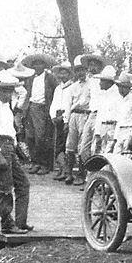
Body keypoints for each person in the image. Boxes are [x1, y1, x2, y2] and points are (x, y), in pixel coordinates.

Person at [0, 71, 32, 234]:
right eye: (4, 90)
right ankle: (7, 223)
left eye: (10, 90)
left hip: (9, 145)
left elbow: (10, 130)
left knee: (23, 183)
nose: (8, 93)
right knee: (4, 187)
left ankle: (20, 221)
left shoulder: (6, 107)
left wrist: (16, 146)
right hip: (0, 146)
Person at [22, 53, 58, 175]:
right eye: (35, 64)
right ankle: (35, 162)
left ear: (44, 65)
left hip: (42, 108)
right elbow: (27, 94)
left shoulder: (50, 77)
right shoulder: (30, 78)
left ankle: (44, 164)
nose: (37, 66)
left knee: (41, 137)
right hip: (30, 107)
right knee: (30, 137)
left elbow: (56, 92)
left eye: (40, 63)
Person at [61, 55, 91, 184]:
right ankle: (69, 173)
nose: (80, 73)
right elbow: (67, 105)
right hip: (74, 115)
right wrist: (66, 121)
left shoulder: (92, 84)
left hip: (86, 115)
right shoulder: (72, 87)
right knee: (70, 144)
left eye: (82, 70)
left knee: (82, 145)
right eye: (77, 70)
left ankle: (81, 174)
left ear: (86, 70)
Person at [77, 53, 107, 184]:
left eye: (95, 65)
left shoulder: (106, 82)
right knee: (83, 148)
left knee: (97, 147)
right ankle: (90, 173)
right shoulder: (88, 81)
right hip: (90, 114)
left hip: (101, 115)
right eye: (90, 65)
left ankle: (95, 178)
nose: (92, 67)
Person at [48, 61, 72, 178]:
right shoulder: (58, 88)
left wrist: (65, 117)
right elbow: (54, 103)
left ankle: (66, 171)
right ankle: (62, 169)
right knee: (57, 144)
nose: (62, 76)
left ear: (69, 74)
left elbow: (69, 105)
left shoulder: (71, 87)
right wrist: (52, 116)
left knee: (65, 144)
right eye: (60, 74)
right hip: (57, 116)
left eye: (65, 74)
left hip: (66, 116)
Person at [91, 66, 120, 156]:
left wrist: (115, 135)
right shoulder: (102, 95)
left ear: (108, 82)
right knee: (95, 151)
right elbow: (100, 115)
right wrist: (97, 132)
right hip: (102, 126)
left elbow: (120, 116)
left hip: (112, 126)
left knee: (109, 153)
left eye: (102, 81)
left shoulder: (118, 95)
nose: (99, 84)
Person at [111, 71, 132, 154]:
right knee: (116, 155)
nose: (121, 89)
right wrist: (115, 137)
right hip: (120, 131)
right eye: (120, 87)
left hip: (129, 130)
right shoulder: (119, 101)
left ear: (129, 88)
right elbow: (118, 120)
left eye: (124, 87)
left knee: (126, 155)